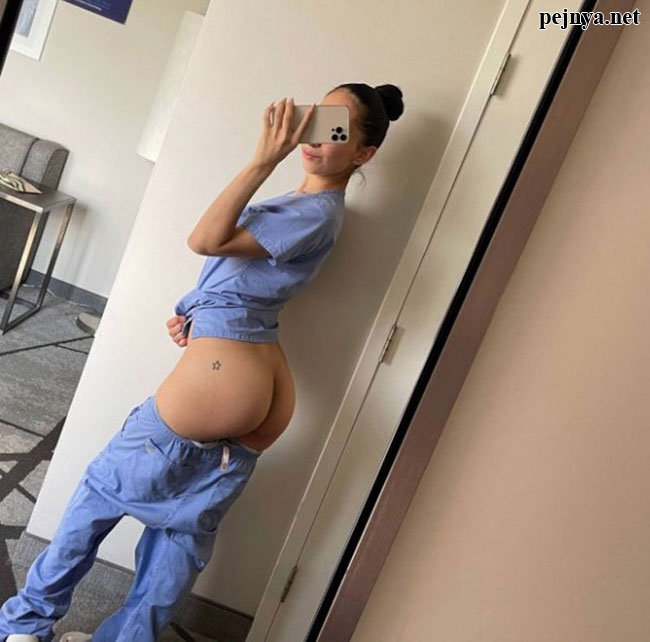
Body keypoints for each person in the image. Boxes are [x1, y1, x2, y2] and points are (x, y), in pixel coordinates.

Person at [0, 82, 404, 642]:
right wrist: (201, 314)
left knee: (98, 495)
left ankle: (26, 626)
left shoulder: (314, 210)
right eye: (319, 116)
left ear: (364, 153)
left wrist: (263, 159)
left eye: (338, 127)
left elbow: (205, 239)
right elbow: (246, 286)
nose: (316, 134)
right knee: (178, 537)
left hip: (225, 386)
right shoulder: (314, 209)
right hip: (249, 383)